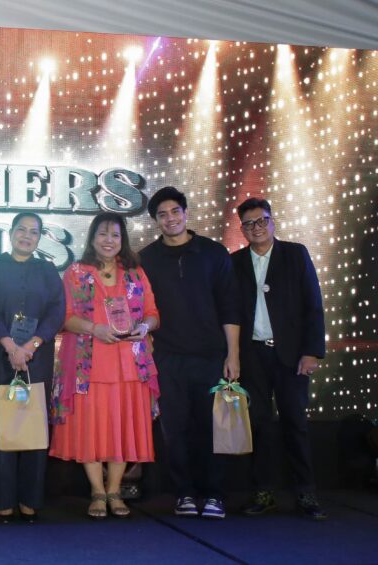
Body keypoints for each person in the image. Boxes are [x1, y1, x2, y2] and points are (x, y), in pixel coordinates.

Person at [50, 212, 160, 519]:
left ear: (122, 240)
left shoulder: (135, 273)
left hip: (129, 366)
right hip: (89, 365)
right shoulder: (76, 272)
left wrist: (145, 327)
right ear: (92, 238)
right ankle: (97, 491)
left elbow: (152, 313)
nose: (109, 241)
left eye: (115, 235)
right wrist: (93, 328)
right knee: (91, 428)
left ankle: (115, 491)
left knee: (122, 428)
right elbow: (64, 318)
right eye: (102, 234)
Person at [138, 186, 240, 519]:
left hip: (212, 356)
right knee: (174, 429)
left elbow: (230, 307)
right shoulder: (146, 259)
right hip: (167, 358)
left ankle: (214, 494)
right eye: (162, 215)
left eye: (175, 212)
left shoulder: (213, 253)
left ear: (185, 213)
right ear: (156, 221)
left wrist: (233, 355)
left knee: (212, 428)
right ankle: (183, 492)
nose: (170, 219)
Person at [231, 197, 327, 520]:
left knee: (294, 422)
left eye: (262, 220)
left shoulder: (295, 254)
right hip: (252, 355)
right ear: (242, 229)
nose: (256, 228)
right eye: (249, 224)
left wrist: (312, 351)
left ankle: (306, 493)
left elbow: (313, 304)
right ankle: (263, 492)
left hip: (291, 355)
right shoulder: (235, 262)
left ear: (273, 222)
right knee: (258, 424)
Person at [0, 212, 65, 523]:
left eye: (34, 232)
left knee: (33, 426)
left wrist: (31, 346)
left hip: (36, 359)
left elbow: (57, 311)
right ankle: (3, 500)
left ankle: (30, 500)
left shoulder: (47, 270)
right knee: (2, 426)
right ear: (11, 232)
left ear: (39, 238)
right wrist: (11, 346)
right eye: (21, 230)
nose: (27, 236)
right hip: (2, 356)